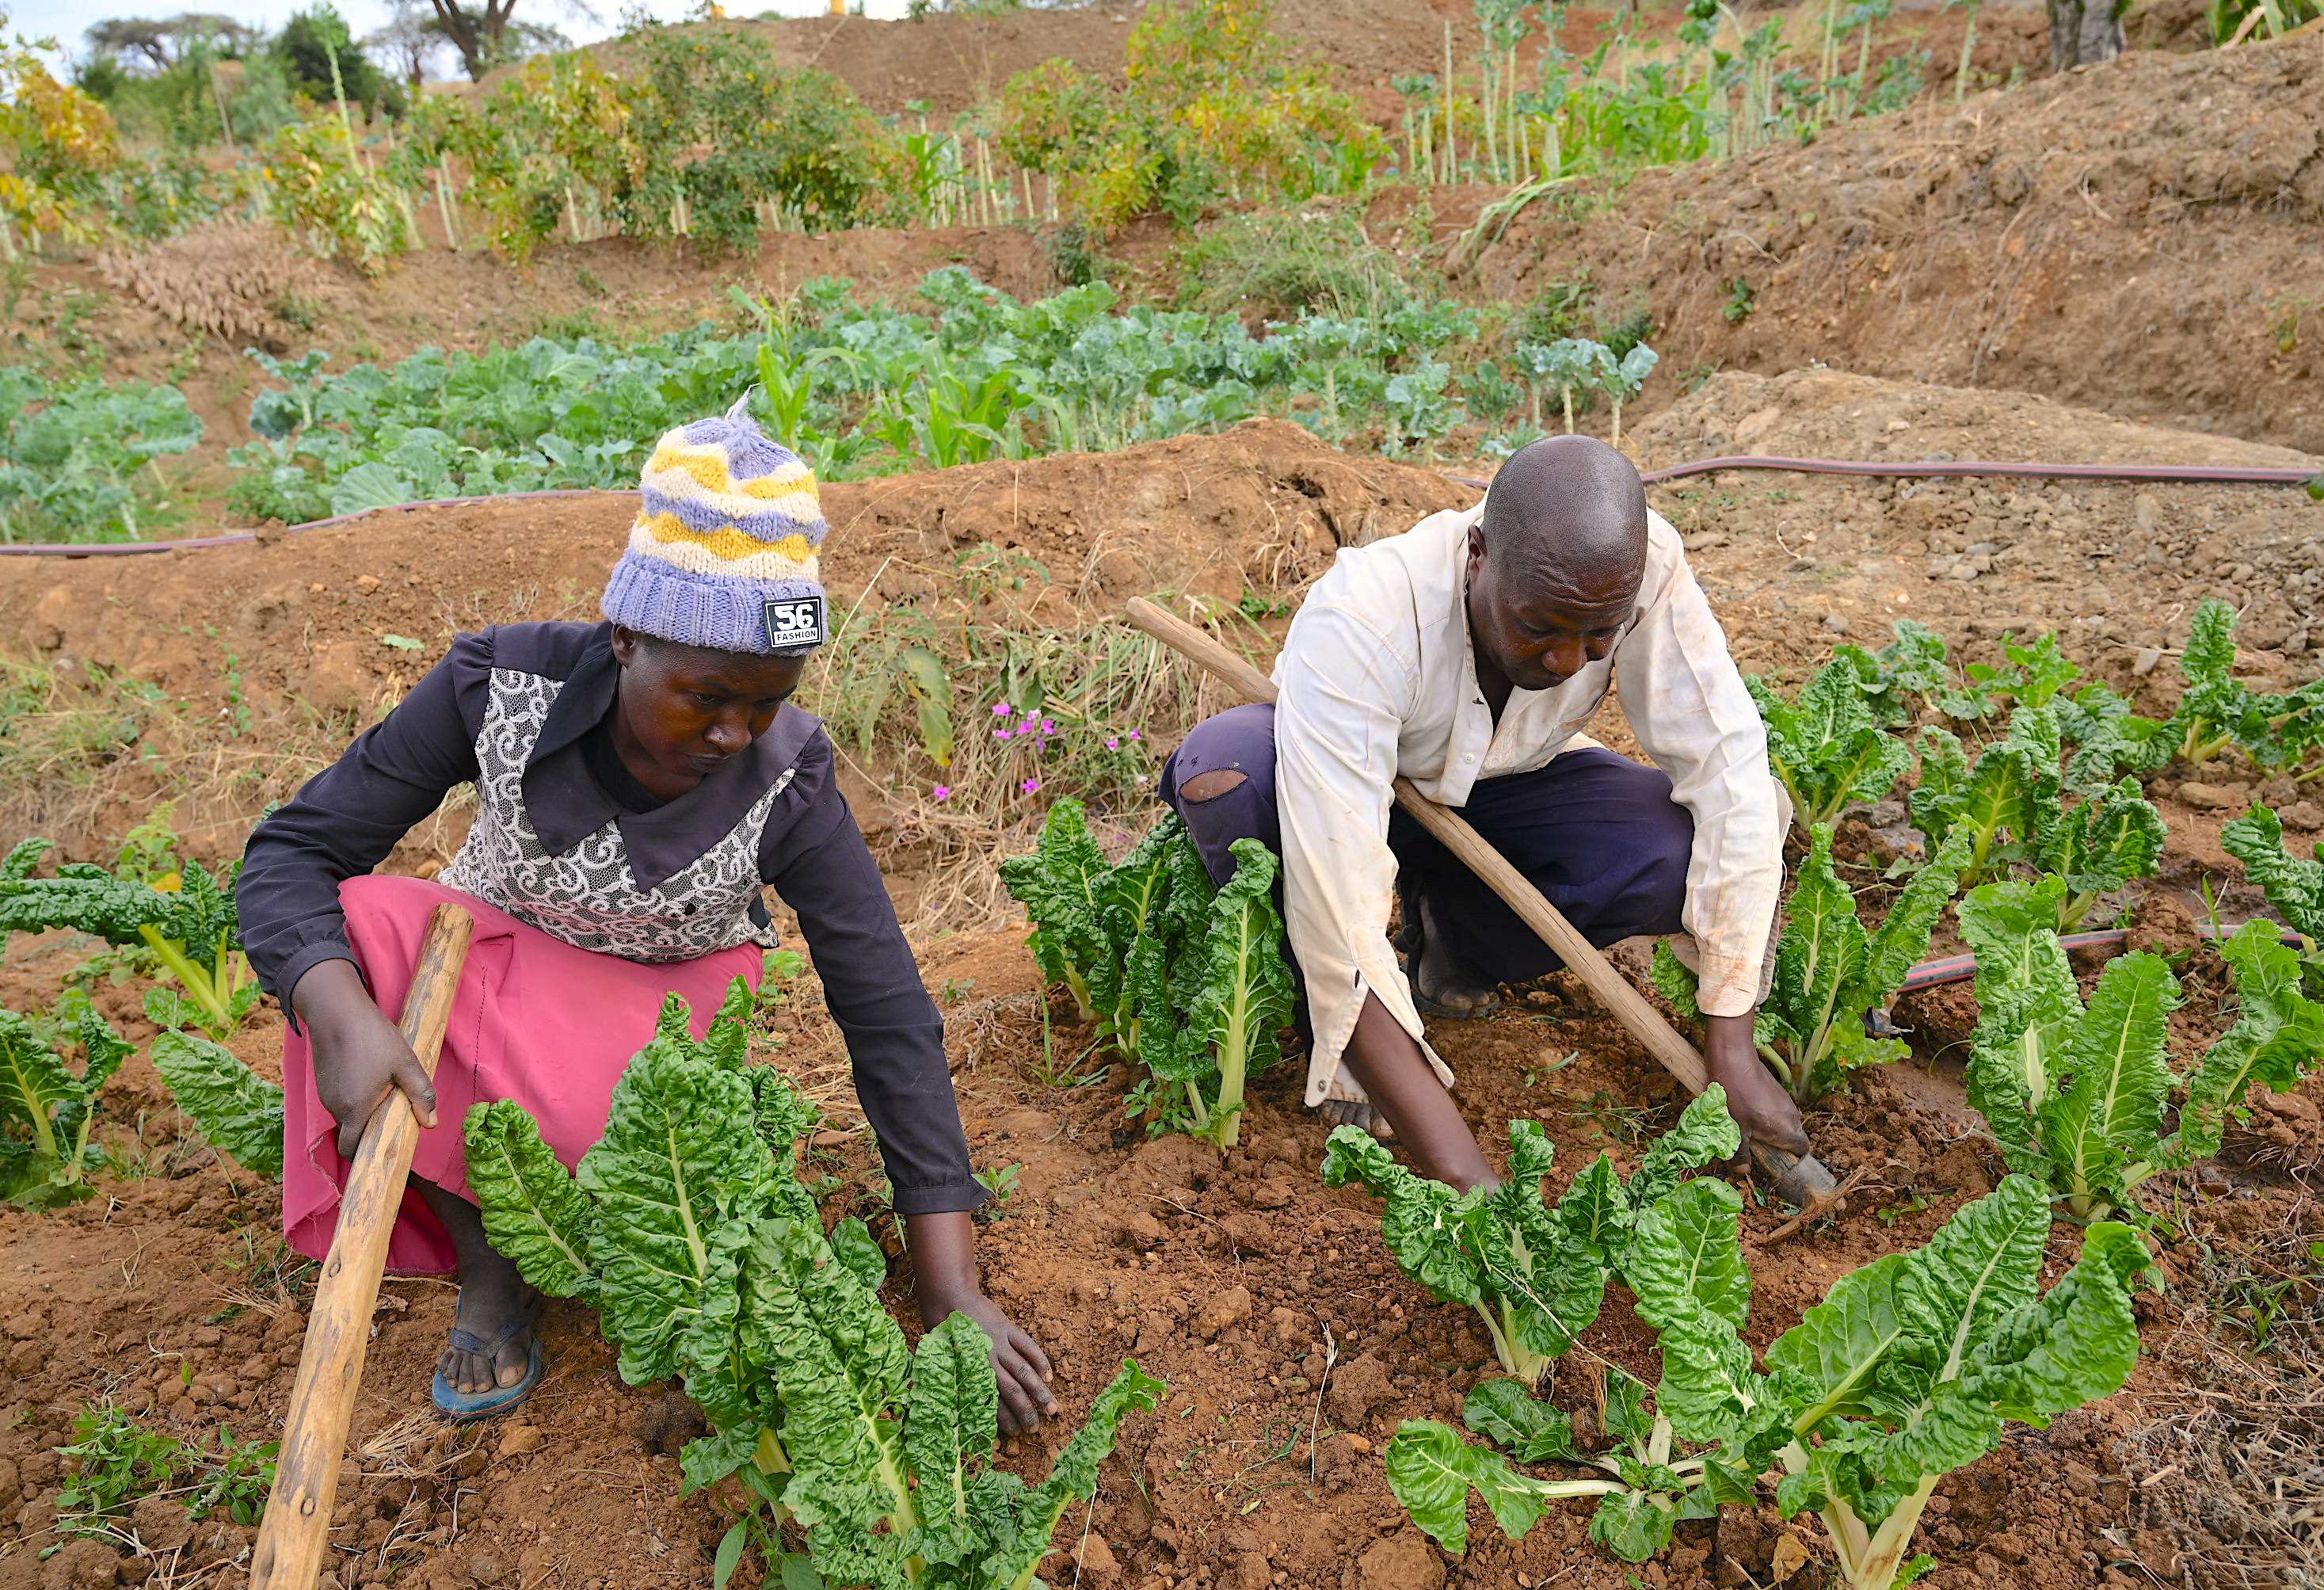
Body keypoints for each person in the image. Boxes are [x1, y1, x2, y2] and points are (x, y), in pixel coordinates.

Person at [238, 409, 1055, 1429]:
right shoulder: (499, 686)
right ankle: (490, 1267)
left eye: (766, 702)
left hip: (659, 1022)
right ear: (625, 638)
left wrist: (950, 1286)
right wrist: (341, 1017)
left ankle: (564, 1228)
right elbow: (292, 856)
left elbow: (887, 1014)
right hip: (491, 970)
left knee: (633, 1163)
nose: (732, 733)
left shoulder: (787, 779)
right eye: (706, 696)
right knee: (355, 928)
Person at [1159, 434, 1809, 1193]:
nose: (1569, 663)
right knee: (1229, 775)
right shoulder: (1367, 616)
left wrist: (1731, 1043)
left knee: (1674, 847)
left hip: (1500, 790)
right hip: (1328, 792)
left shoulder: (1643, 570)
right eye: (1541, 628)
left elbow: (1729, 768)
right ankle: (1336, 1041)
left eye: (1598, 637)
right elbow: (1336, 898)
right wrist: (1473, 1183)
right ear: (1477, 556)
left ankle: (1456, 941)